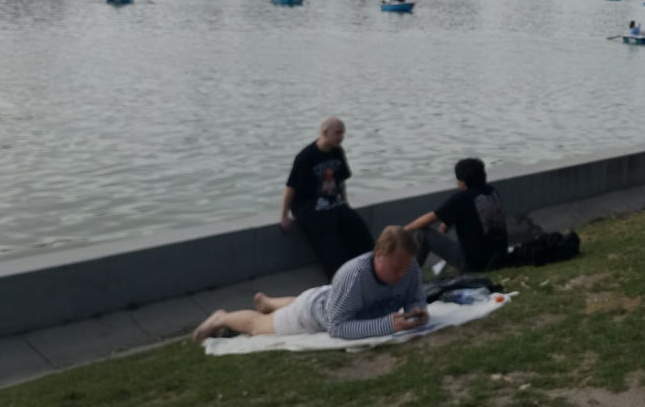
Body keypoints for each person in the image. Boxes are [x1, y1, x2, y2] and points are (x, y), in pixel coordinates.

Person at [192, 226, 427, 343]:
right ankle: (221, 317)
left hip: (329, 297)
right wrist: (388, 325)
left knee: (314, 298)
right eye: (396, 269)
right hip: (313, 314)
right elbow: (337, 327)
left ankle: (269, 302)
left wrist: (418, 311)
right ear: (379, 255)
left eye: (406, 268)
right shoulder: (354, 276)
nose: (402, 274)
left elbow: (415, 297)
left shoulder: (409, 268)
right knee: (258, 325)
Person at [281, 117, 375, 279]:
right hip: (309, 206)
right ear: (325, 133)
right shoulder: (306, 156)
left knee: (358, 228)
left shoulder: (338, 152)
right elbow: (291, 187)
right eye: (338, 133)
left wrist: (345, 203)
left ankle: (371, 268)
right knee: (328, 237)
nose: (341, 137)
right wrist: (284, 215)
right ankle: (340, 277)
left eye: (343, 133)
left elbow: (341, 181)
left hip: (333, 201)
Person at [401, 157, 507, 273]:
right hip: (499, 258)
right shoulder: (491, 190)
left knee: (423, 234)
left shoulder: (461, 198)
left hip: (475, 264)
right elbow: (472, 215)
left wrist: (405, 229)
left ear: (463, 181)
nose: (457, 183)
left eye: (458, 180)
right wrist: (447, 222)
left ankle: (409, 277)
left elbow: (427, 220)